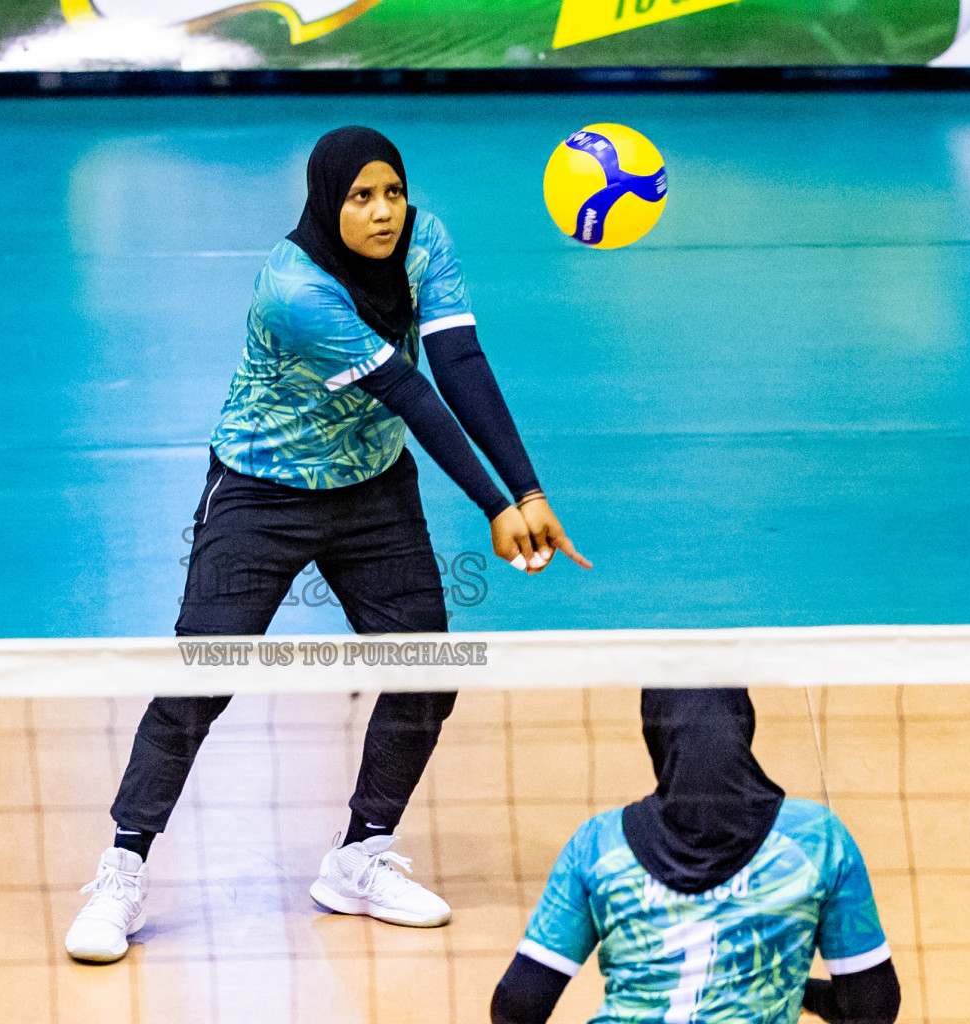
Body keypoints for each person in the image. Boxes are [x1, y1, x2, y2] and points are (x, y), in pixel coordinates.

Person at [65, 125, 594, 963]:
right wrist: (495, 506)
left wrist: (528, 491)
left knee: (426, 671)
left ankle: (360, 857)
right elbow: (410, 392)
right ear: (326, 201)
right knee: (203, 677)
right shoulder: (294, 289)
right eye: (361, 197)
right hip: (262, 488)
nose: (383, 212)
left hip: (373, 489)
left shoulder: (428, 241)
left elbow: (460, 362)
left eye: (392, 191)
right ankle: (123, 867)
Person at [492, 688, 900, 1024]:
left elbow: (518, 1006)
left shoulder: (598, 846)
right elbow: (873, 1007)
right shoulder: (816, 839)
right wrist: (793, 988)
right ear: (743, 728)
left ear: (655, 736)